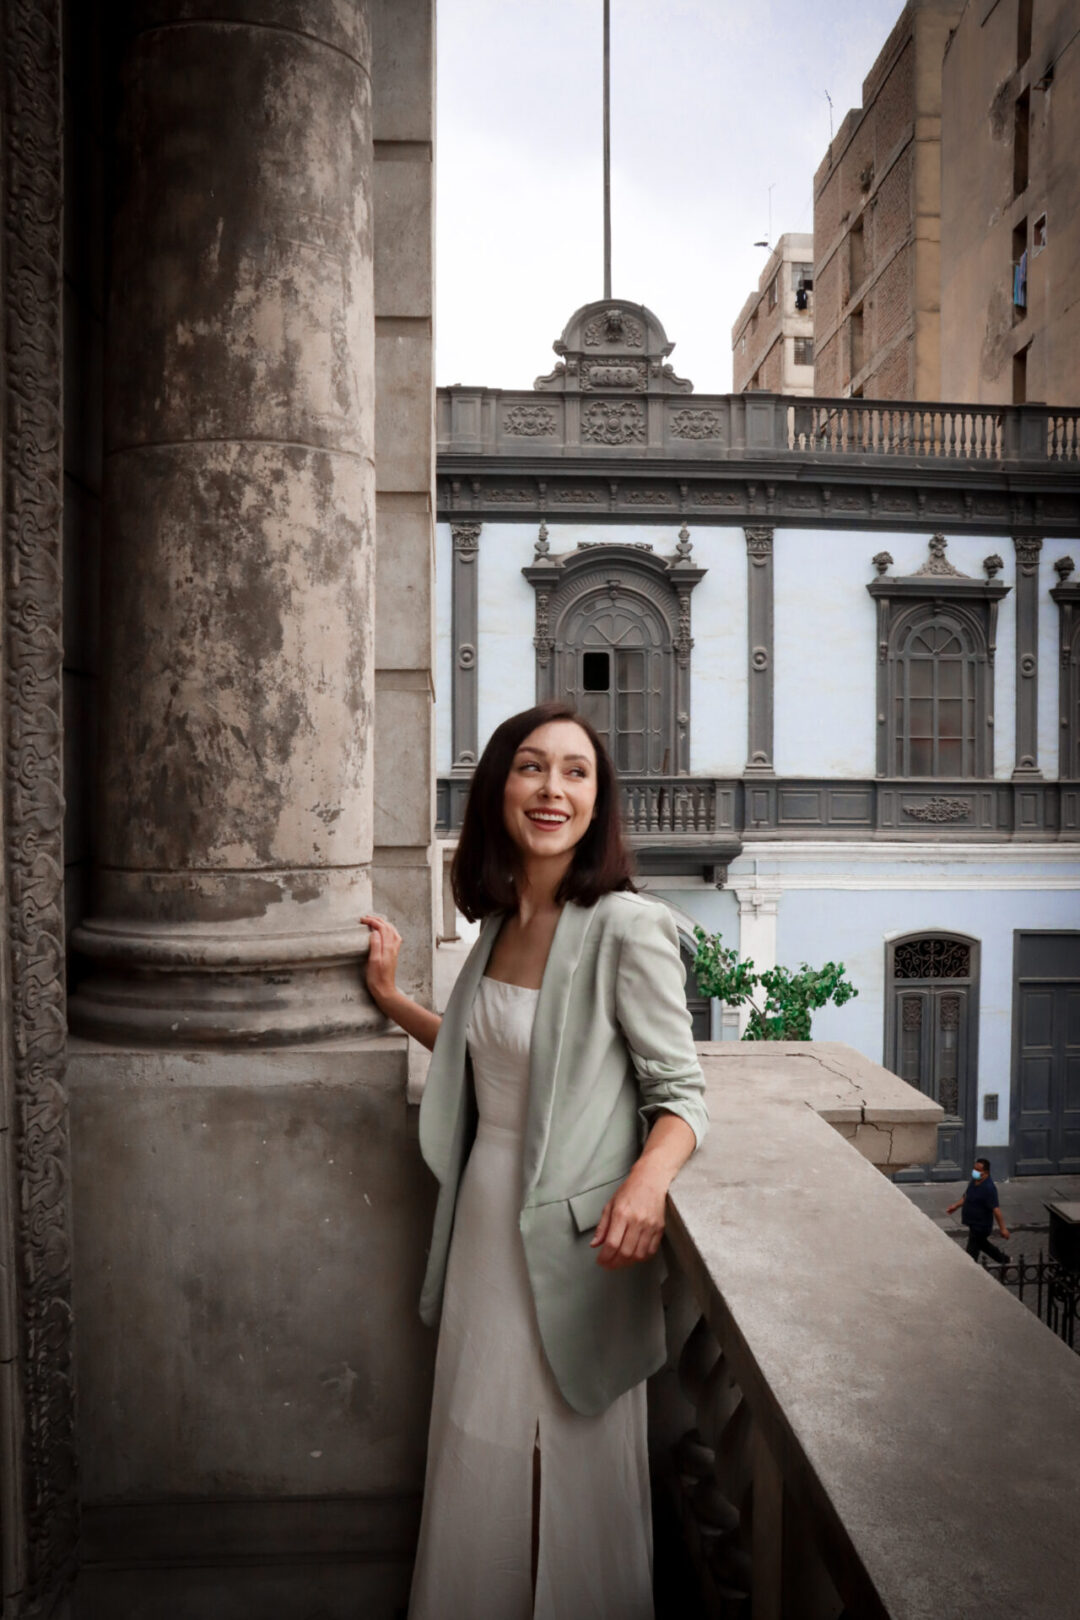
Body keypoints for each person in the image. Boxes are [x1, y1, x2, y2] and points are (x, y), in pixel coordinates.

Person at [361, 700, 708, 1620]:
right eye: (531, 767)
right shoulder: (499, 921)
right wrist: (394, 1001)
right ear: (499, 789)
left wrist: (647, 1179)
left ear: (598, 800)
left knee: (572, 1450)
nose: (553, 788)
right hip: (482, 1214)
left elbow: (682, 1094)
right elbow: (496, 1058)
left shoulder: (628, 927)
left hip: (572, 1237)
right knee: (479, 1435)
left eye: (576, 772)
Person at [947, 1158, 1011, 1264]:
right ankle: (1004, 1260)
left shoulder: (989, 1188)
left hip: (981, 1226)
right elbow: (966, 1196)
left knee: (972, 1251)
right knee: (983, 1245)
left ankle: (971, 1270)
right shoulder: (974, 1181)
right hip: (973, 1223)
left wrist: (1003, 1229)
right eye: (974, 1168)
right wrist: (955, 1206)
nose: (974, 1172)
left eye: (977, 1170)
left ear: (985, 1172)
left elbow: (996, 1210)